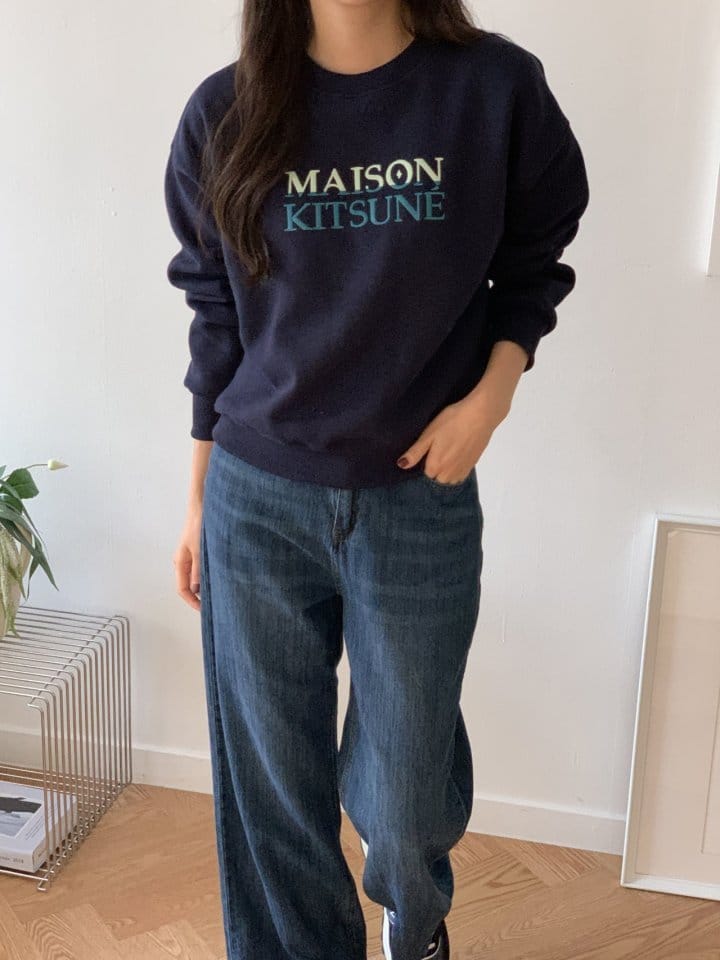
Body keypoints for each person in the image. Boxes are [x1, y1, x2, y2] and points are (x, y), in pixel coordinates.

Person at [163, 1, 590, 958]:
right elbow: (216, 321)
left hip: (417, 498)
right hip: (256, 496)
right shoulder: (225, 113)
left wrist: (490, 399)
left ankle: (413, 917)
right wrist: (196, 502)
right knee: (272, 788)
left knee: (404, 792)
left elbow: (535, 260)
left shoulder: (492, 90)